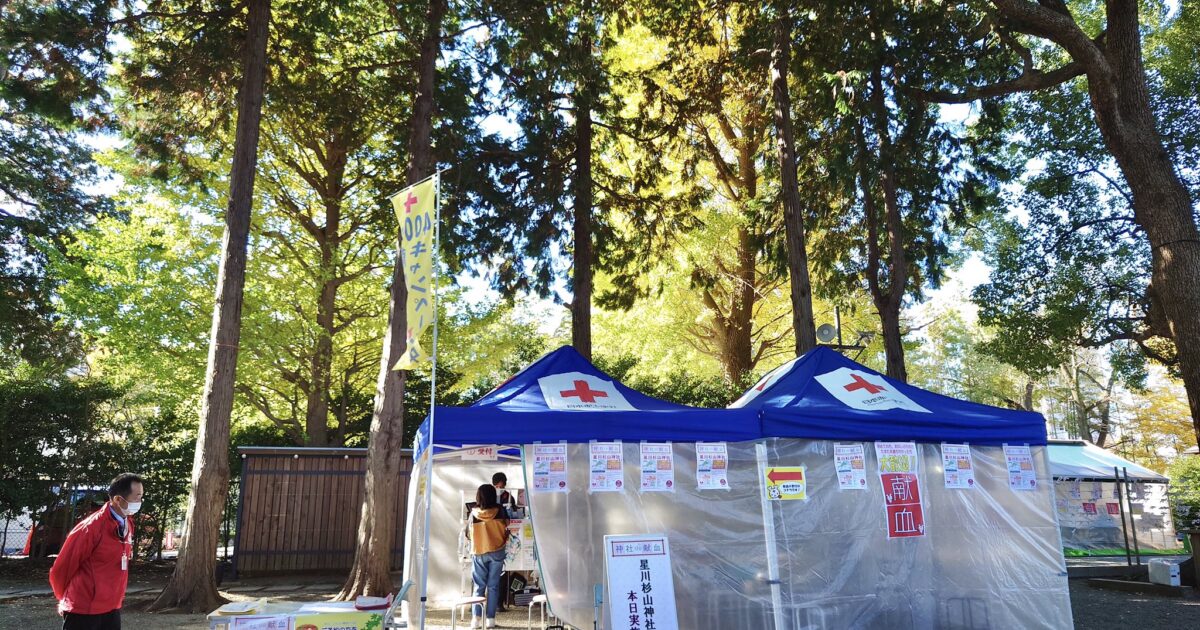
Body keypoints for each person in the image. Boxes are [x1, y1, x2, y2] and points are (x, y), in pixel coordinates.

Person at [49, 472, 144, 630]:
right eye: (137, 497)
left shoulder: (127, 524)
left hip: (112, 606)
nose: (140, 502)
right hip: (84, 608)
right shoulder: (91, 528)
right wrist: (63, 599)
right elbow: (61, 569)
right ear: (118, 499)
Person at [464, 483, 508, 629]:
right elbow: (507, 526)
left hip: (479, 552)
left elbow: (468, 534)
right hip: (497, 551)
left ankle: (476, 619)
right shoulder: (500, 510)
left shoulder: (473, 513)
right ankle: (490, 620)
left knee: (479, 586)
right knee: (493, 586)